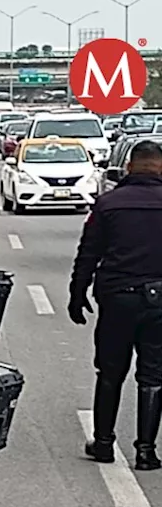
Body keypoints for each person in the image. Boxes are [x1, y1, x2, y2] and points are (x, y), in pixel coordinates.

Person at [69, 139, 162, 471]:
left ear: (128, 167)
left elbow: (88, 253)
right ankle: (146, 451)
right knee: (153, 375)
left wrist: (77, 294)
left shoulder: (108, 204)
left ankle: (104, 443)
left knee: (110, 371)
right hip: (159, 301)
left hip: (118, 298)